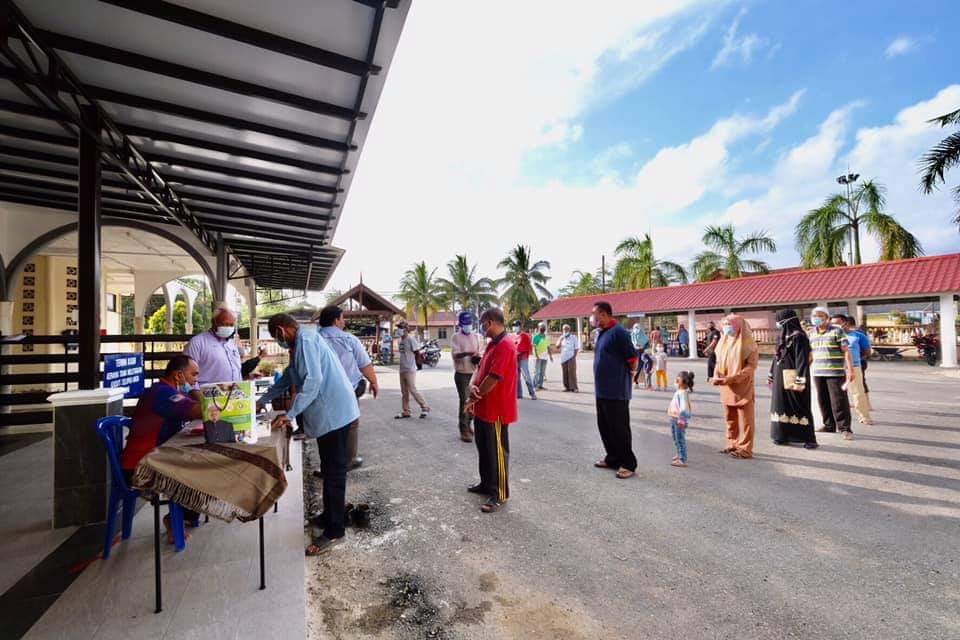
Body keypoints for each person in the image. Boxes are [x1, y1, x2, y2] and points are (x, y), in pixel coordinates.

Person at [258, 313, 360, 555]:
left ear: (283, 330)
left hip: (335, 413)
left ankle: (335, 531)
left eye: (276, 336)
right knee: (329, 470)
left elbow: (313, 380)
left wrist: (290, 413)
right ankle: (329, 516)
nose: (279, 340)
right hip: (331, 414)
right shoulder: (301, 344)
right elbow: (289, 378)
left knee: (334, 473)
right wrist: (263, 400)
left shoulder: (307, 341)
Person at [122, 355, 202, 541]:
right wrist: (196, 392)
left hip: (155, 457)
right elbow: (199, 410)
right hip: (140, 467)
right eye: (194, 375)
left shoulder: (168, 390)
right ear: (179, 375)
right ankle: (174, 519)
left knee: (199, 465)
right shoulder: (162, 394)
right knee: (199, 472)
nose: (196, 379)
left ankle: (186, 515)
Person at [463, 308, 518, 513]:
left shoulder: (505, 345)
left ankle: (499, 493)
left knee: (497, 452)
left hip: (496, 408)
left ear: (492, 322)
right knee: (484, 449)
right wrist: (472, 385)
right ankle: (486, 484)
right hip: (483, 407)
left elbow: (494, 378)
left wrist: (472, 397)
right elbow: (480, 370)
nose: (481, 327)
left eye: (483, 323)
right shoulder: (493, 344)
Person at [317, 305, 380, 470]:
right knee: (351, 423)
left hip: (322, 391)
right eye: (342, 318)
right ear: (336, 320)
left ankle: (327, 464)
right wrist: (374, 382)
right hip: (348, 389)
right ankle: (349, 459)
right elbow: (364, 364)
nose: (344, 321)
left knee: (326, 425)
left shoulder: (314, 340)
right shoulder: (349, 339)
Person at [590, 301, 639, 479]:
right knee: (605, 426)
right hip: (602, 390)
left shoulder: (619, 332)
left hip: (616, 391)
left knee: (619, 428)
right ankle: (612, 458)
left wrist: (629, 375)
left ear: (604, 314)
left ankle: (628, 463)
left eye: (595, 314)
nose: (593, 318)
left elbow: (632, 358)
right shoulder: (602, 333)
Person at [712, 314, 759, 459]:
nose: (726, 327)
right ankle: (733, 443)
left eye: (729, 324)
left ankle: (745, 448)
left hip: (742, 386)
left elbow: (751, 366)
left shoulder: (748, 343)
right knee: (730, 418)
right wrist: (716, 375)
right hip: (726, 386)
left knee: (746, 420)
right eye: (724, 324)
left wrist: (734, 378)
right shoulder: (723, 341)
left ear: (738, 325)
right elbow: (718, 362)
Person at [769, 309, 818, 449]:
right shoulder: (781, 337)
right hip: (780, 376)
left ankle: (809, 439)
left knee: (799, 405)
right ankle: (782, 436)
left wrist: (800, 380)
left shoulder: (799, 337)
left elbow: (802, 361)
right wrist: (771, 374)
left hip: (794, 376)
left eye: (779, 321)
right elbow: (776, 357)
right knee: (781, 405)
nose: (778, 324)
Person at [809, 307, 855, 440]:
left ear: (827, 318)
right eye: (814, 316)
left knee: (839, 401)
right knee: (822, 400)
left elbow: (846, 351)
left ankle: (845, 428)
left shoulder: (837, 331)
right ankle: (829, 425)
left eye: (820, 316)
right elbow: (811, 354)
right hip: (818, 372)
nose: (816, 318)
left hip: (835, 372)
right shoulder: (811, 333)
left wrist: (850, 370)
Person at [184, 308, 242, 385]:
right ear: (214, 322)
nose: (228, 327)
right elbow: (186, 373)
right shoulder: (198, 342)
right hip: (206, 394)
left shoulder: (231, 344)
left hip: (235, 393)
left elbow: (237, 369)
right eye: (225, 324)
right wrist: (197, 394)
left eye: (231, 325)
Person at [451, 311, 484, 442]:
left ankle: (469, 424)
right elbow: (455, 355)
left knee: (474, 401)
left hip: (474, 373)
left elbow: (481, 352)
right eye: (465, 324)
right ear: (460, 324)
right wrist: (467, 353)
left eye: (469, 324)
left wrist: (477, 357)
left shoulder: (477, 336)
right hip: (462, 374)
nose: (468, 326)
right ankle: (463, 429)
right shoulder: (456, 337)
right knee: (465, 400)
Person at [837, 314, 873, 425]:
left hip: (854, 367)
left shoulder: (858, 336)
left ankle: (864, 416)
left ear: (846, 323)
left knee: (857, 392)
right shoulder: (833, 335)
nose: (835, 326)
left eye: (837, 323)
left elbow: (867, 352)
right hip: (836, 367)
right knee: (837, 394)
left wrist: (854, 360)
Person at [395, 320, 430, 419]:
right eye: (398, 328)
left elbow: (417, 353)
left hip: (410, 369)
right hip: (402, 369)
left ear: (406, 329)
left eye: (400, 328)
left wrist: (419, 365)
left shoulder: (410, 339)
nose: (399, 330)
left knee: (412, 390)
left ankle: (425, 407)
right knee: (404, 392)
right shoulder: (400, 340)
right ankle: (406, 411)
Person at [667, 371, 695, 467]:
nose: (675, 381)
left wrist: (682, 420)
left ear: (682, 381)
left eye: (677, 379)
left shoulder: (683, 393)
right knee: (676, 438)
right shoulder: (679, 391)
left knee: (679, 439)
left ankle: (682, 459)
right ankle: (680, 454)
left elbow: (684, 408)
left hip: (679, 420)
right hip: (674, 418)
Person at [513, 322, 536, 399]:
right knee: (516, 377)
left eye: (516, 326)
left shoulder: (525, 336)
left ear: (520, 326)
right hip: (515, 359)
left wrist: (520, 353)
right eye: (514, 326)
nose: (515, 327)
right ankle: (519, 394)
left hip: (523, 358)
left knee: (526, 376)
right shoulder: (514, 336)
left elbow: (528, 347)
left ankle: (532, 393)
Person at [557, 324, 580, 392]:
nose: (565, 330)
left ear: (569, 330)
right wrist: (560, 340)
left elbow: (576, 348)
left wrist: (574, 356)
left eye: (566, 329)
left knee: (572, 372)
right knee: (565, 373)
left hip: (571, 357)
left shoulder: (573, 337)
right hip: (563, 358)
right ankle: (566, 387)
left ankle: (574, 387)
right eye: (564, 329)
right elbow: (557, 346)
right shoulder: (561, 337)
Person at [532, 322, 552, 391]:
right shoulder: (535, 336)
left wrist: (550, 356)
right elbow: (534, 347)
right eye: (541, 327)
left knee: (542, 372)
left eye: (543, 327)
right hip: (538, 357)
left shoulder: (546, 337)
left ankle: (540, 385)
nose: (542, 328)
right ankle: (535, 386)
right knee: (537, 372)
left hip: (545, 357)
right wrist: (536, 355)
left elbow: (548, 346)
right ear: (538, 328)